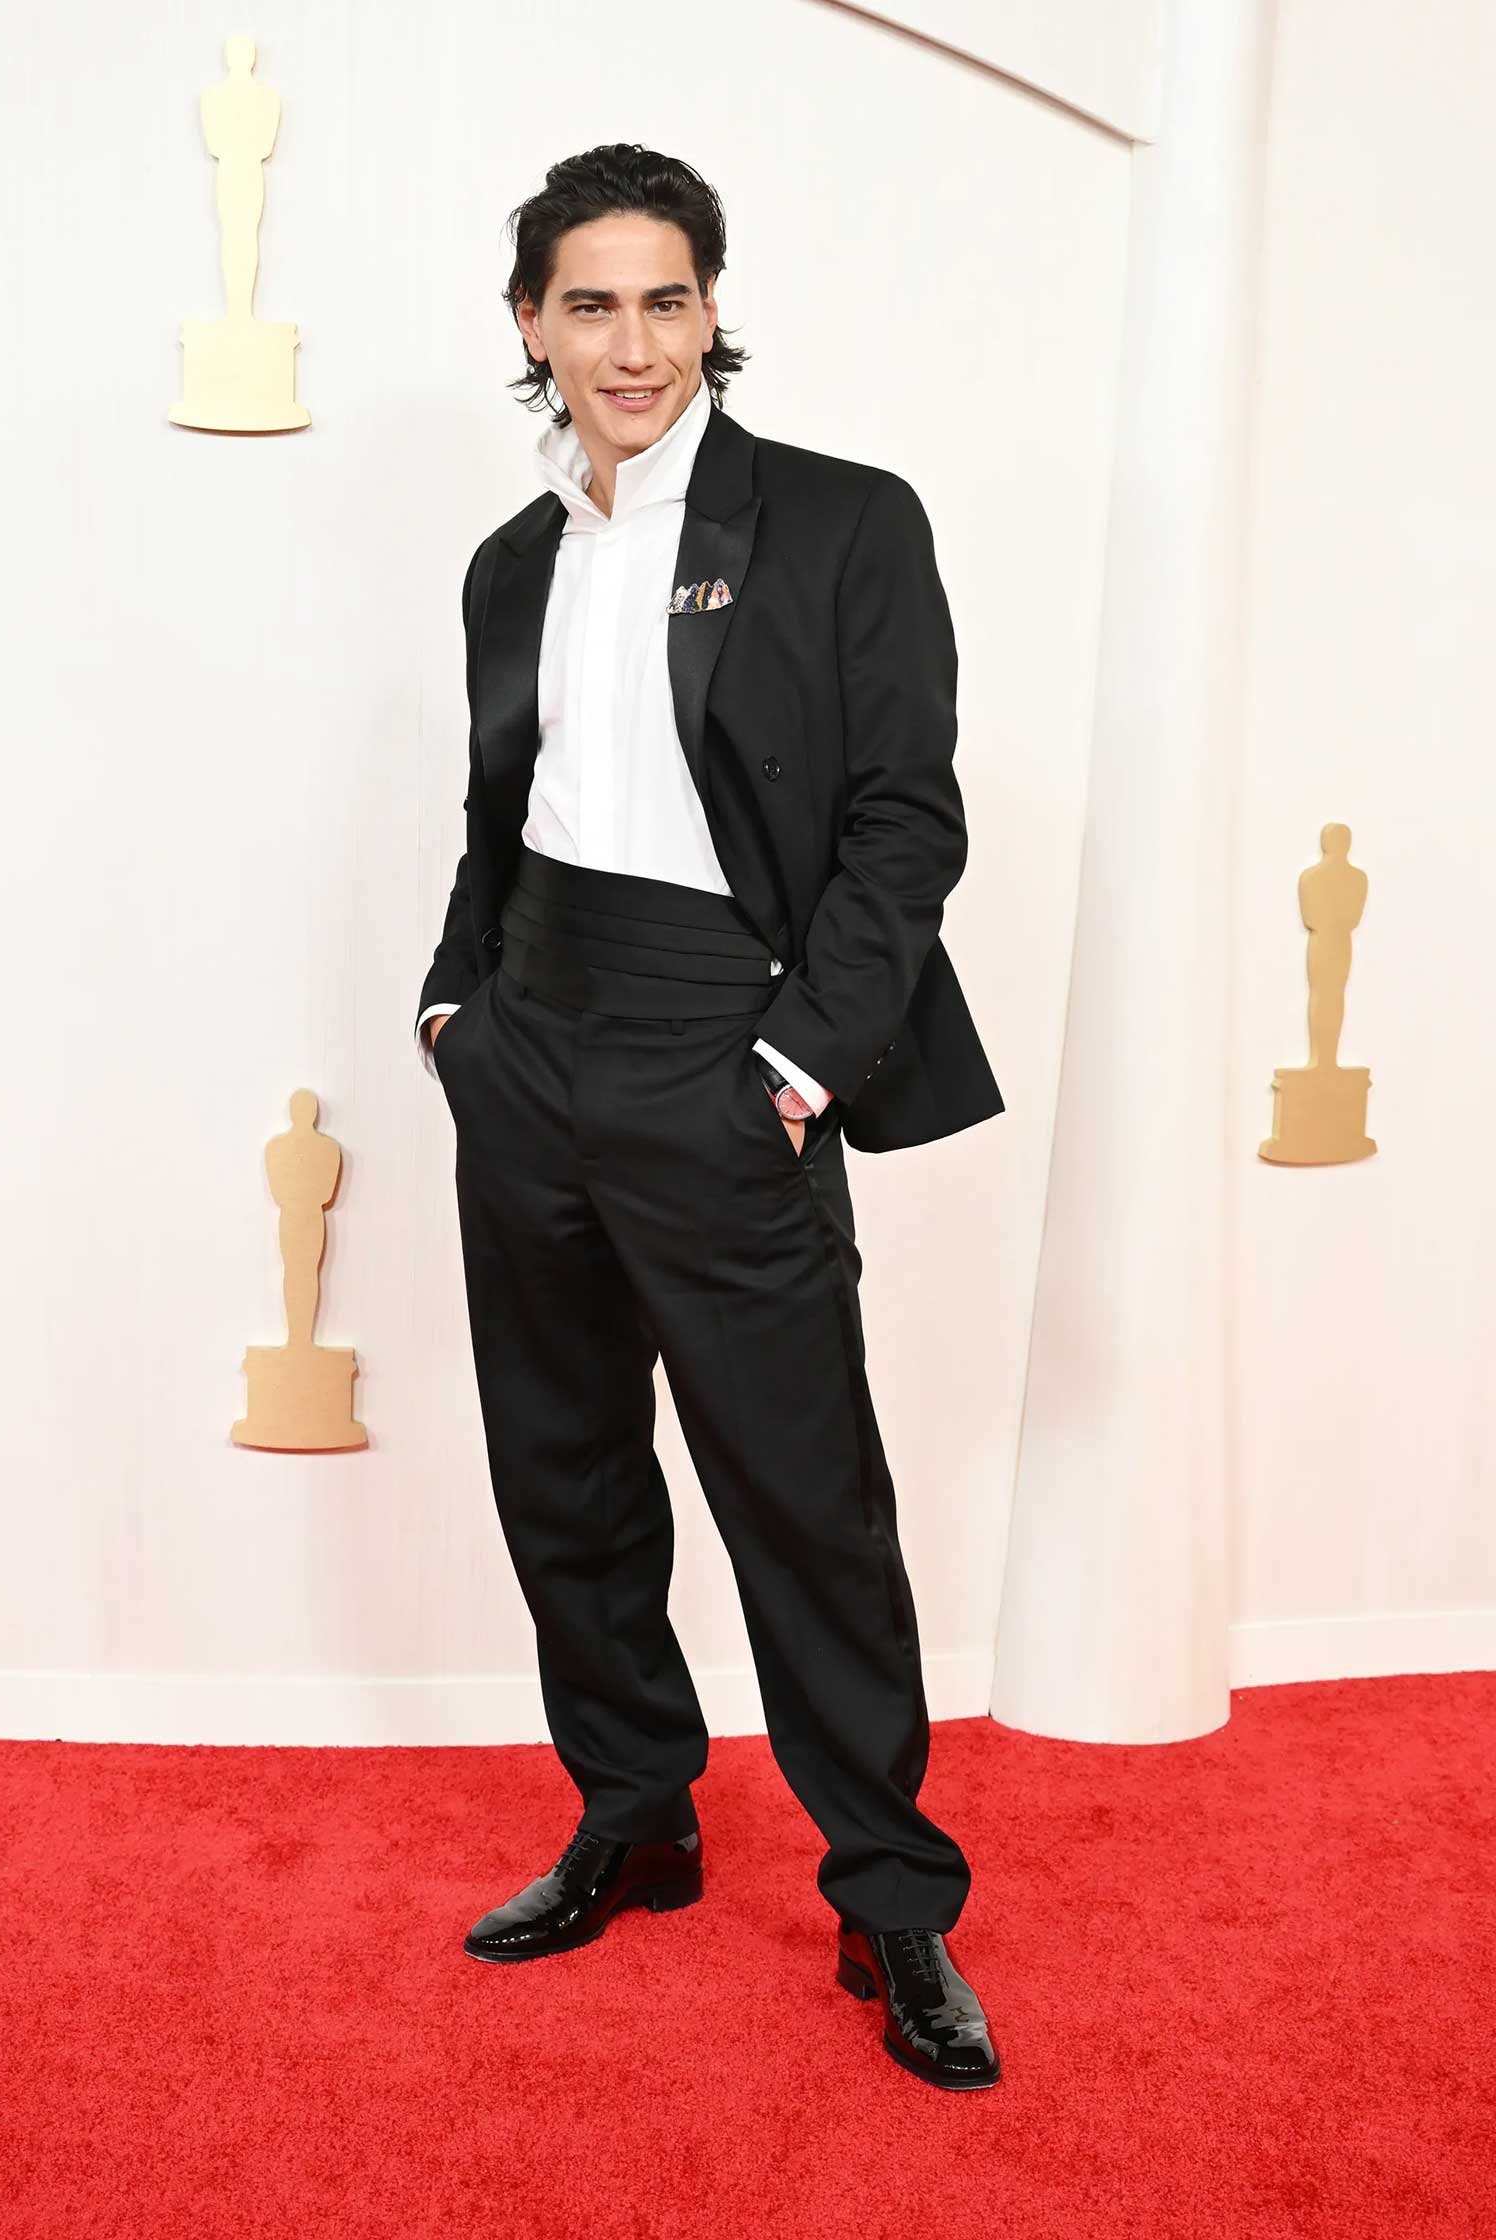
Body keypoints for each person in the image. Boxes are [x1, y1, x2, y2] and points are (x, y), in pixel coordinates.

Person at [415, 143, 1005, 2091]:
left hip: (720, 1044)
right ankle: (634, 1812)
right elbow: (499, 812)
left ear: (712, 310)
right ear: (531, 325)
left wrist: (794, 1064)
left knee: (801, 1496)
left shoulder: (839, 522)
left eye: (665, 299)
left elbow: (904, 820)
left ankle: (892, 1899)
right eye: (589, 303)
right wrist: (455, 1006)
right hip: (530, 1044)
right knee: (564, 1464)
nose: (632, 342)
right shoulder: (512, 563)